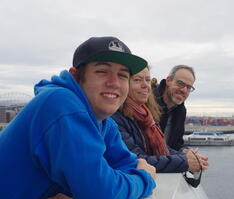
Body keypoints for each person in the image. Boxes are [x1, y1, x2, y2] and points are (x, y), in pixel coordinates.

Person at [0, 36, 156, 199]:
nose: (115, 83)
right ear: (75, 76)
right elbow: (102, 192)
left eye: (123, 75)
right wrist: (144, 179)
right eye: (102, 71)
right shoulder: (61, 103)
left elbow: (126, 166)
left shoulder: (104, 122)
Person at [111, 67, 208, 173]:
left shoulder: (146, 113)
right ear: (168, 81)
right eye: (137, 80)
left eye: (147, 80)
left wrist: (186, 154)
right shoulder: (116, 115)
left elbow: (170, 145)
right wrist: (184, 161)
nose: (184, 89)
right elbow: (137, 159)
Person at [153, 65, 196, 151]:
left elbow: (177, 143)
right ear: (168, 81)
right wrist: (182, 158)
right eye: (180, 84)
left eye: (188, 87)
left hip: (166, 161)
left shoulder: (181, 110)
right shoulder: (148, 101)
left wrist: (185, 151)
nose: (184, 90)